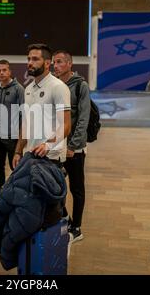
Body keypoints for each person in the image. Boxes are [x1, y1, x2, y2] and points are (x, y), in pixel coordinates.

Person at [12, 43, 71, 223]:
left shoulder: (58, 87)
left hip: (51, 156)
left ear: (47, 63)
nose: (30, 62)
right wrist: (18, 150)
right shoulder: (28, 89)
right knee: (36, 206)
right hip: (31, 156)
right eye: (29, 59)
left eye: (35, 59)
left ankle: (62, 235)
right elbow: (26, 123)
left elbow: (66, 124)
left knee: (52, 208)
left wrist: (48, 144)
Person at [52, 50, 90, 243]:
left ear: (69, 64)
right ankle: (66, 220)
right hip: (57, 146)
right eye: (53, 62)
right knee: (54, 186)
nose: (55, 66)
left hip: (74, 149)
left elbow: (83, 119)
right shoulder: (56, 86)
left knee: (76, 188)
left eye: (59, 62)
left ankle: (77, 228)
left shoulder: (81, 86)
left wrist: (73, 146)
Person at [0, 60, 25, 209]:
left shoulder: (18, 89)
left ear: (10, 72)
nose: (1, 73)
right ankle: (0, 197)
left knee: (16, 169)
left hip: (13, 137)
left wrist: (22, 137)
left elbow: (24, 114)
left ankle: (18, 200)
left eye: (4, 70)